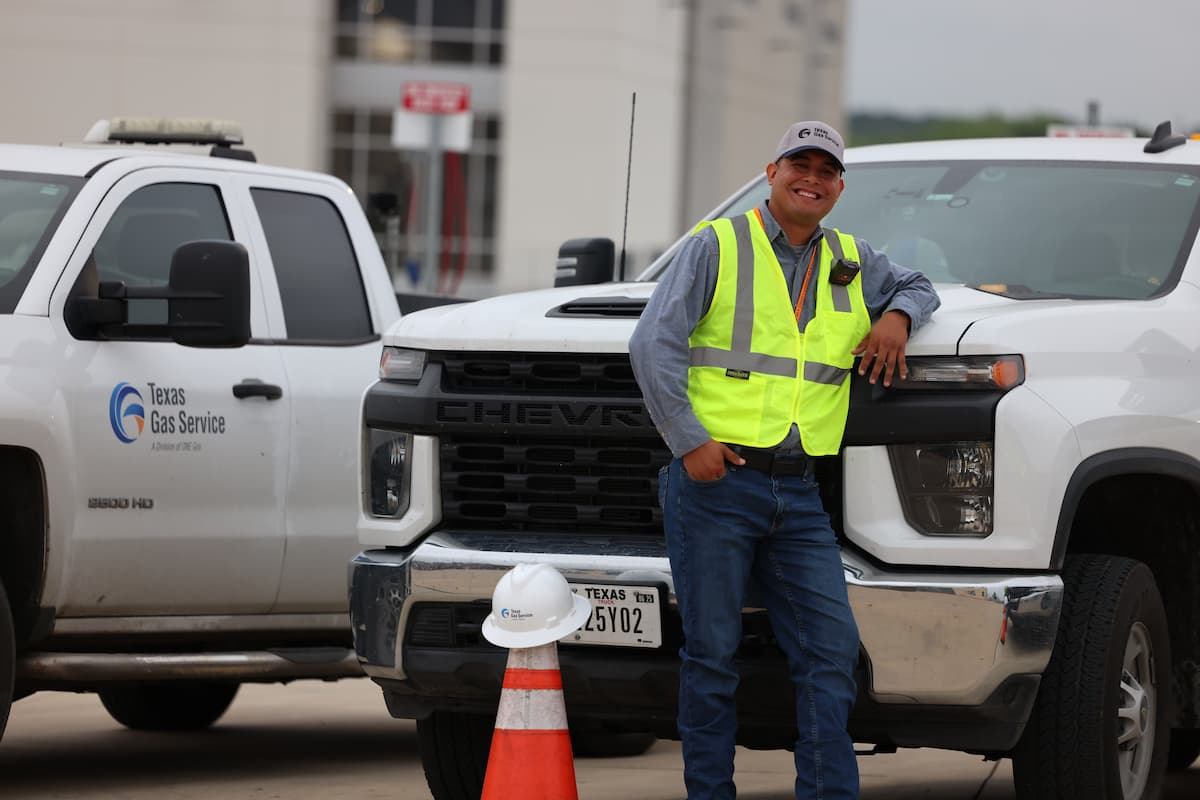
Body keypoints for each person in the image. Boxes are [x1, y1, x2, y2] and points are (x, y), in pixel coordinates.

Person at [628, 120, 940, 800]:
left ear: (839, 186)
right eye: (800, 163)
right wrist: (688, 441)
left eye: (826, 170)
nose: (813, 178)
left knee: (830, 657)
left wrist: (898, 318)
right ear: (770, 172)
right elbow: (653, 343)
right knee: (711, 659)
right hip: (717, 485)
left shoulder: (851, 259)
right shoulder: (719, 244)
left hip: (799, 496)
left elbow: (919, 284)